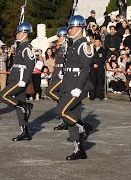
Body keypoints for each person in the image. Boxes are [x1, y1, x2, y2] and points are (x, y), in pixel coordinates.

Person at [54, 15, 93, 160]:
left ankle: (84, 126)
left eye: (72, 27)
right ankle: (79, 149)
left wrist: (78, 87)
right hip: (68, 83)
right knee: (72, 116)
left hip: (78, 85)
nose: (69, 30)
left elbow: (85, 67)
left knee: (61, 110)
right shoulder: (72, 44)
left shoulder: (83, 44)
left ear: (80, 28)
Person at [0, 22, 35, 141]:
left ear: (25, 33)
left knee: (2, 95)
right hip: (16, 76)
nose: (17, 35)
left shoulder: (27, 47)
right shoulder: (20, 46)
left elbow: (30, 65)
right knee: (19, 107)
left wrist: (24, 80)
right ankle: (25, 131)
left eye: (18, 33)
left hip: (20, 78)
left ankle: (25, 106)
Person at [46, 27, 69, 131]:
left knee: (49, 91)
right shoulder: (61, 47)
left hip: (61, 72)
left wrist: (63, 71)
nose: (58, 39)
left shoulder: (66, 47)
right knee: (59, 94)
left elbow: (67, 60)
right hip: (56, 71)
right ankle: (64, 120)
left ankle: (65, 105)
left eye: (59, 37)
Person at [89, 36, 106, 101]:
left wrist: (98, 64)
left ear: (100, 43)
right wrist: (93, 64)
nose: (96, 43)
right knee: (92, 81)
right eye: (95, 42)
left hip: (100, 68)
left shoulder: (103, 50)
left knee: (100, 81)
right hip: (92, 67)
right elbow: (89, 58)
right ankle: (92, 95)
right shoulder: (91, 50)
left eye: (97, 42)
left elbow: (103, 59)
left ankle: (100, 95)